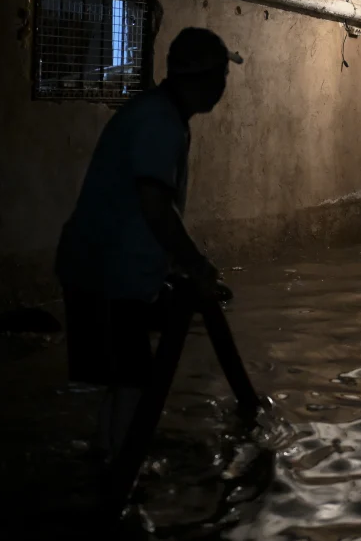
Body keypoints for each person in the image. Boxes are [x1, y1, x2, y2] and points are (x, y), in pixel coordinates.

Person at [55, 27, 242, 460]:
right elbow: (155, 206)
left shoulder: (160, 114)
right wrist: (195, 264)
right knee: (133, 380)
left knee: (126, 379)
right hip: (105, 272)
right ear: (204, 79)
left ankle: (109, 456)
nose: (224, 85)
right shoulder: (160, 122)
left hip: (105, 269)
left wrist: (173, 268)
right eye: (222, 75)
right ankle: (122, 473)